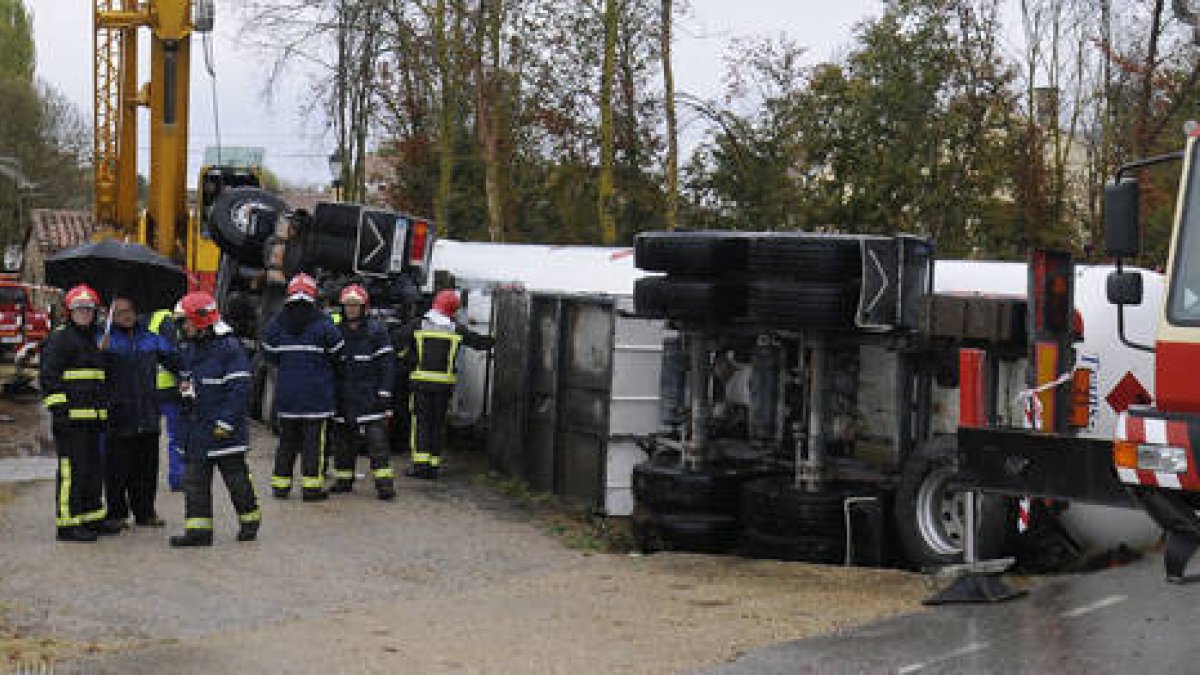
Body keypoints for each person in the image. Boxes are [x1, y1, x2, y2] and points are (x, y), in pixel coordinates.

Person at [170, 291, 260, 547]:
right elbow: (187, 377)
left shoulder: (229, 349)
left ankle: (249, 520)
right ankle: (198, 532)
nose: (181, 327)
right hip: (197, 430)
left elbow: (239, 389)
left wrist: (226, 423)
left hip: (224, 432)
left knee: (237, 480)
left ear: (200, 321)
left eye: (184, 321)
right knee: (195, 483)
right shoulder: (190, 347)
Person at [39, 285, 122, 542]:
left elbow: (102, 378)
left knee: (93, 470)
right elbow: (49, 378)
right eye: (79, 310)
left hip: (93, 420)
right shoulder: (60, 338)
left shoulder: (97, 337)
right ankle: (67, 524)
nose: (84, 313)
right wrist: (60, 413)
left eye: (88, 309)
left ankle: (91, 517)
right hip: (70, 421)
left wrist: (107, 353)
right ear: (69, 312)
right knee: (72, 472)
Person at [262, 272, 344, 501]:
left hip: (288, 395)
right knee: (313, 443)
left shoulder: (277, 322)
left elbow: (268, 353)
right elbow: (339, 352)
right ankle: (311, 488)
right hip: (317, 396)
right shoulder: (323, 322)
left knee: (286, 442)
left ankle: (281, 486)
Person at [395, 288, 493, 479]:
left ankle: (420, 465)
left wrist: (406, 360)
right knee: (437, 424)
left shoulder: (419, 324)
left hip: (421, 384)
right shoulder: (455, 328)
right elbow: (479, 342)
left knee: (421, 423)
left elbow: (396, 340)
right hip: (443, 386)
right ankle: (433, 465)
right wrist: (497, 338)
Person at [100, 296, 179, 528]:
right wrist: (99, 353)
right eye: (121, 311)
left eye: (130, 310)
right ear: (111, 316)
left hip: (147, 415)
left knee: (146, 469)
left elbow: (176, 360)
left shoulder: (151, 339)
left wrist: (185, 375)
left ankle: (145, 513)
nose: (127, 315)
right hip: (117, 415)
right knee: (116, 470)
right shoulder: (103, 339)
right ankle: (116, 514)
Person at [330, 284, 396, 500]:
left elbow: (387, 365)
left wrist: (385, 393)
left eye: (355, 305)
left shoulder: (376, 331)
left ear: (364, 307)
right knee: (343, 443)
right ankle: (343, 480)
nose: (350, 309)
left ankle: (385, 486)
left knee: (377, 444)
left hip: (369, 395)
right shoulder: (336, 331)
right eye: (347, 305)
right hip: (344, 395)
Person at [148, 304, 185, 492]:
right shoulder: (166, 320)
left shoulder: (145, 319)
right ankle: (177, 478)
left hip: (148, 388)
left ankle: (144, 480)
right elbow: (173, 354)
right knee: (176, 436)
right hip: (168, 388)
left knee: (146, 438)